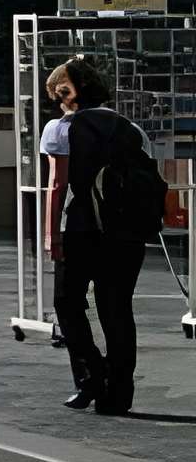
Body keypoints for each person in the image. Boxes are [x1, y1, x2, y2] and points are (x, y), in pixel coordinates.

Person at [42, 55, 147, 415]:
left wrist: (50, 235)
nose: (58, 102)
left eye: (60, 93)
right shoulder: (131, 128)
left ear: (73, 93)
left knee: (67, 304)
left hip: (81, 230)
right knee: (117, 311)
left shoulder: (59, 129)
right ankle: (118, 395)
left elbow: (57, 186)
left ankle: (90, 375)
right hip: (127, 234)